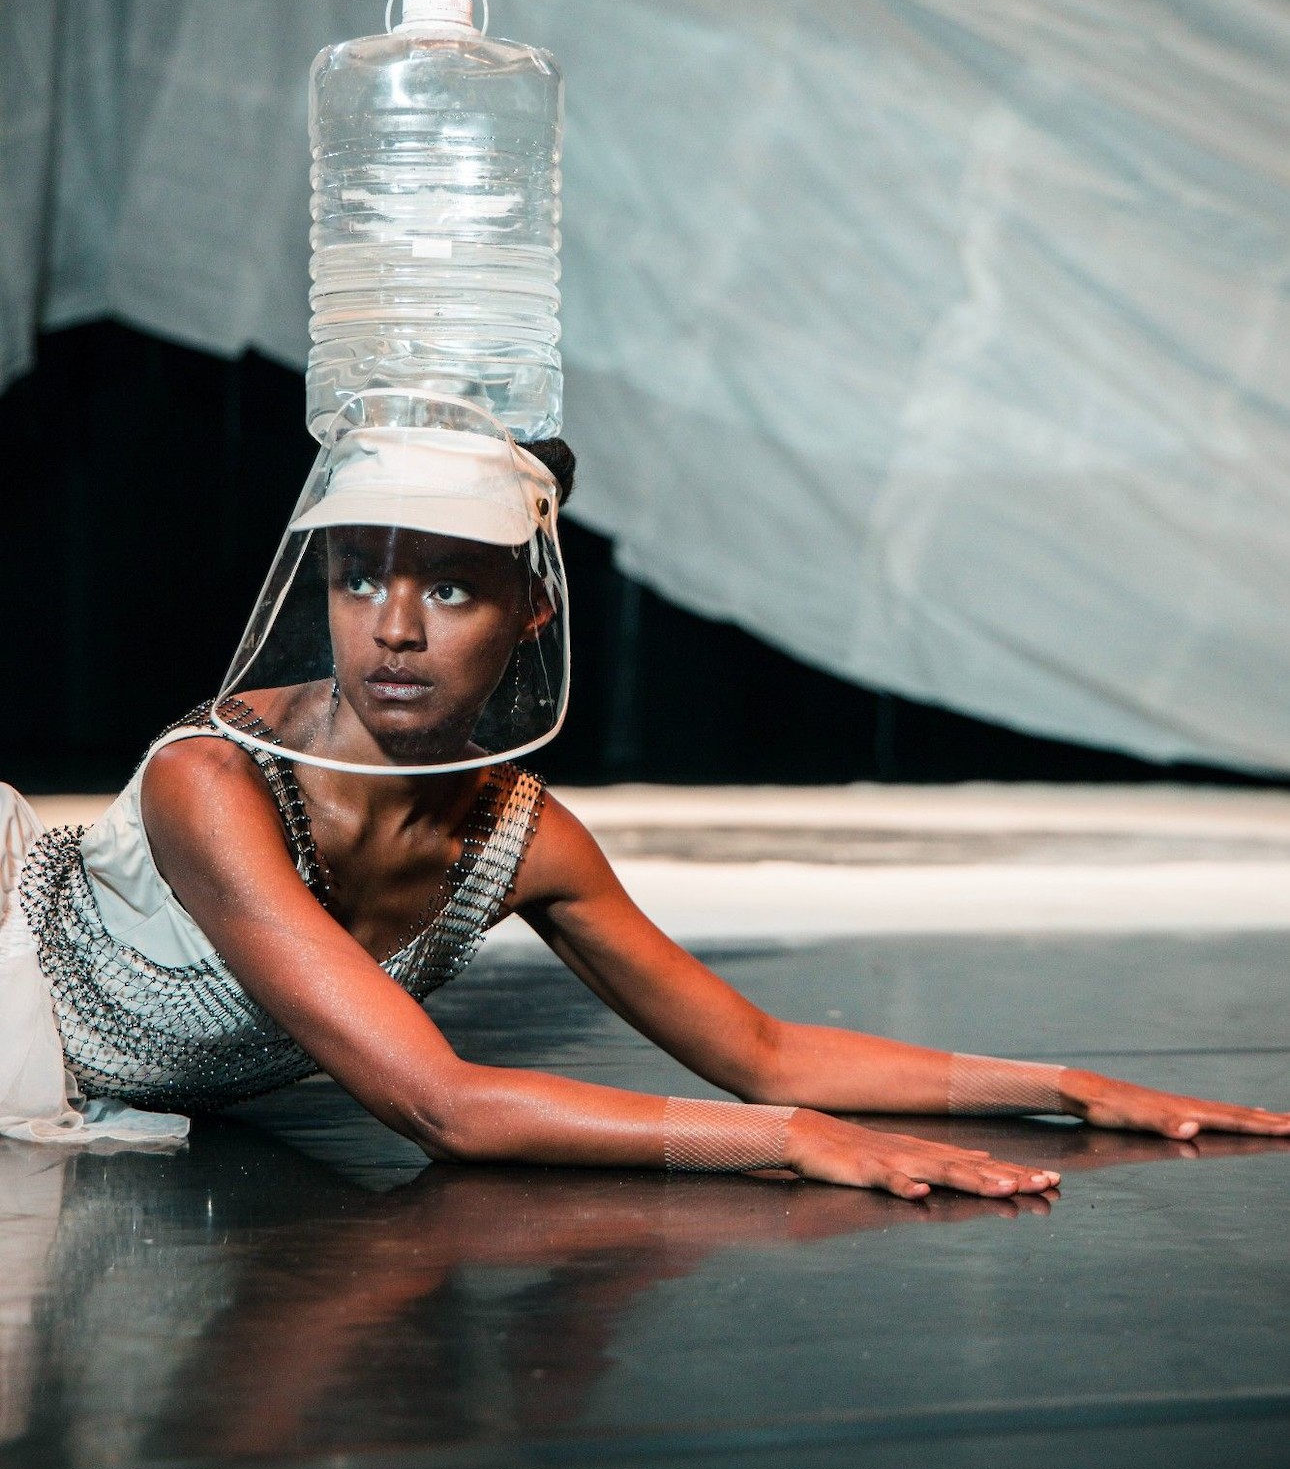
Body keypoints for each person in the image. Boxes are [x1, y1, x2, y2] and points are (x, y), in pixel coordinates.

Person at [2, 396, 1286, 1187]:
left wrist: (1058, 1083)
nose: (392, 629)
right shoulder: (210, 782)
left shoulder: (523, 836)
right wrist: (780, 1143)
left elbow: (762, 1052)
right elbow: (444, 1108)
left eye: (450, 588)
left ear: (529, 614)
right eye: (359, 581)